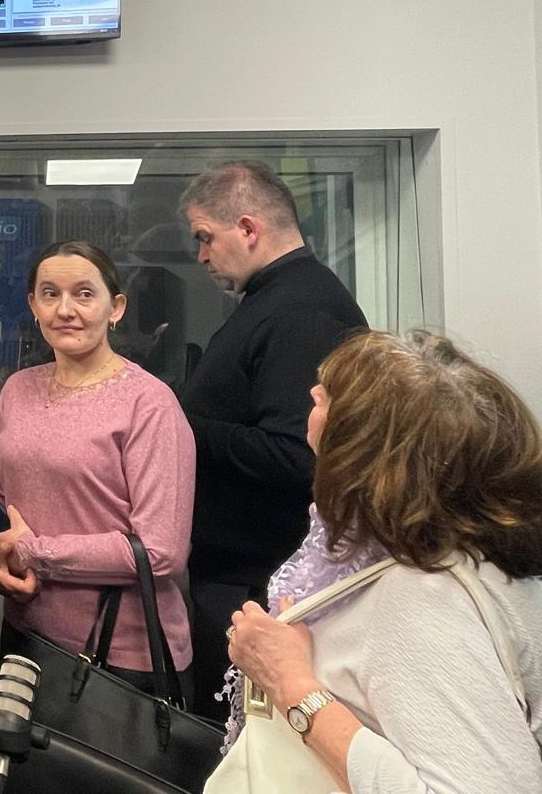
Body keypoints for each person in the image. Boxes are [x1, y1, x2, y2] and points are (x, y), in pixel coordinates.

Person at [224, 330, 542, 791]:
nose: (313, 393)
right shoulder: (475, 551)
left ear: (367, 456)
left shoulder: (423, 591)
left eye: (332, 397)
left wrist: (291, 683)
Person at [178, 160, 367, 719]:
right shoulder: (275, 299)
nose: (202, 256)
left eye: (205, 237)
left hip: (262, 585)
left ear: (248, 228)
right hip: (241, 579)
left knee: (247, 747)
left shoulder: (304, 310)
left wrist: (179, 423)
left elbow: (298, 459)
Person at [0, 241, 196, 700]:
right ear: (33, 305)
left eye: (84, 294)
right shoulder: (17, 389)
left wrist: (35, 553)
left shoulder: (149, 404)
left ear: (116, 308)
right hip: (26, 639)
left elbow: (161, 551)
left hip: (119, 656)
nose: (65, 310)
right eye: (50, 294)